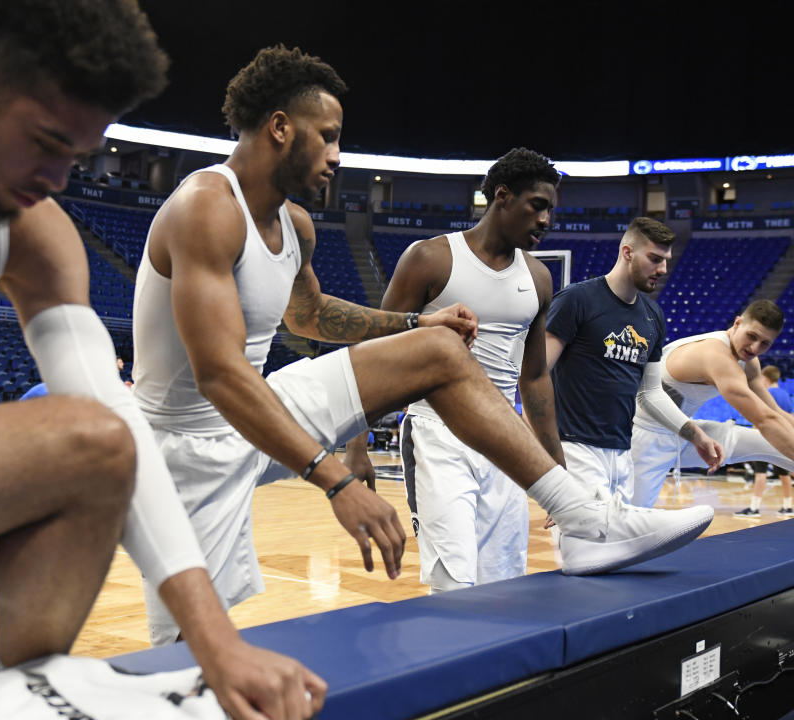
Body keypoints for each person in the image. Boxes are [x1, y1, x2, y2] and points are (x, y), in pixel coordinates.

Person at [0, 4, 325, 718]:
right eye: (46, 142)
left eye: (80, 156)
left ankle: (29, 691)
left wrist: (215, 640)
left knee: (101, 441)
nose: (60, 178)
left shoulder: (35, 236)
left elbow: (112, 418)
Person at [131, 44, 714, 645]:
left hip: (263, 405)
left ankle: (587, 517)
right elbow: (220, 376)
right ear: (280, 127)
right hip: (185, 444)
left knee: (440, 353)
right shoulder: (206, 207)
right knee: (185, 652)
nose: (337, 154)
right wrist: (337, 479)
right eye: (328, 136)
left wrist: (416, 327)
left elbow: (309, 316)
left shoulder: (295, 224)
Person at [345, 147, 566, 592]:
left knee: (504, 584)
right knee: (453, 583)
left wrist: (555, 468)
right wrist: (356, 444)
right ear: (502, 196)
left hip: (506, 439)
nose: (546, 220)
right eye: (537, 206)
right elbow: (374, 350)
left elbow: (536, 378)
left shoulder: (540, 278)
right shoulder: (430, 259)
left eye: (550, 210)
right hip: (437, 433)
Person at [546, 218, 724, 508]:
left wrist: (696, 436)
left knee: (618, 551)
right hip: (575, 447)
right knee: (588, 549)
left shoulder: (653, 315)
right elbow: (535, 375)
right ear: (627, 252)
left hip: (622, 452)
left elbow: (650, 393)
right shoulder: (576, 299)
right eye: (655, 259)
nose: (663, 269)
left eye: (666, 260)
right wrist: (548, 458)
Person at [631, 301, 794, 508]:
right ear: (737, 323)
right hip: (645, 439)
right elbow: (764, 420)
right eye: (752, 337)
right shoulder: (716, 356)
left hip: (686, 433)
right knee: (628, 527)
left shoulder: (749, 361)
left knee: (773, 445)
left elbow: (776, 413)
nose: (755, 348)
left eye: (765, 344)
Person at [733, 365, 794, 518]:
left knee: (761, 473)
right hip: (782, 438)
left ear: (765, 378)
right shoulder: (786, 395)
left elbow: (759, 416)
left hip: (765, 437)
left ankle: (754, 508)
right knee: (784, 474)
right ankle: (787, 506)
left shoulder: (765, 394)